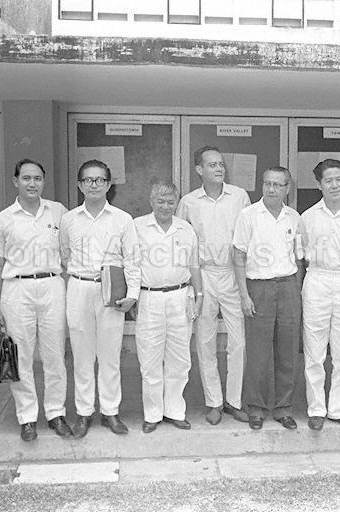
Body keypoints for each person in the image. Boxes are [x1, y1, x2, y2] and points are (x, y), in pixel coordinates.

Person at [0, 158, 71, 442]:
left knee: (54, 354)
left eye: (37, 178)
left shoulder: (58, 212)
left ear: (43, 182)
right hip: (17, 290)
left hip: (51, 286)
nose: (32, 183)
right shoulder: (3, 219)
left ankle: (56, 413)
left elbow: (73, 251)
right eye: (26, 178)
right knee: (20, 356)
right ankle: (27, 417)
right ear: (15, 181)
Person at [60, 159, 140, 438]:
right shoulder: (68, 219)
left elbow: (132, 260)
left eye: (99, 180)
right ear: (80, 185)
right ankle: (84, 413)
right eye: (88, 180)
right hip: (79, 287)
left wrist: (132, 295)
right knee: (82, 356)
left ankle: (110, 412)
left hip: (111, 291)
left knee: (109, 355)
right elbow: (64, 257)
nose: (94, 185)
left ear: (108, 184)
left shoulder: (122, 219)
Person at [177, 146, 251, 425]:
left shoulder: (239, 197)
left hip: (233, 273)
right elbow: (182, 240)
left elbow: (248, 236)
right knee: (205, 340)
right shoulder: (189, 202)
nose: (219, 169)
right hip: (203, 274)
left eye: (221, 164)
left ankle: (234, 400)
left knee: (238, 341)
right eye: (212, 165)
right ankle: (214, 402)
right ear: (199, 170)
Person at [232, 166, 304, 431]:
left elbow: (298, 258)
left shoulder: (293, 217)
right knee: (259, 354)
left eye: (277, 185)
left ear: (287, 189)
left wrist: (296, 291)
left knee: (287, 352)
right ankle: (256, 407)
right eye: (267, 184)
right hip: (258, 288)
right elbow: (238, 256)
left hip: (287, 288)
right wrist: (244, 295)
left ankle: (284, 408)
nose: (271, 189)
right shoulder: (248, 215)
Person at [300, 159, 340, 431]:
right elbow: (301, 256)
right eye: (328, 180)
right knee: (314, 349)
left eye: (338, 179)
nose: (334, 185)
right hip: (317, 278)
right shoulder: (308, 217)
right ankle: (316, 408)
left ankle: (337, 408)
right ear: (319, 184)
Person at [134, 181, 203, 433]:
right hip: (149, 298)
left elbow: (194, 265)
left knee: (179, 358)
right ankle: (152, 414)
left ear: (177, 203)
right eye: (160, 201)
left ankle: (174, 410)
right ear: (151, 202)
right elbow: (130, 265)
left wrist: (199, 294)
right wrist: (132, 297)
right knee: (150, 358)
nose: (165, 206)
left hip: (180, 297)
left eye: (170, 202)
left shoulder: (185, 229)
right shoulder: (137, 227)